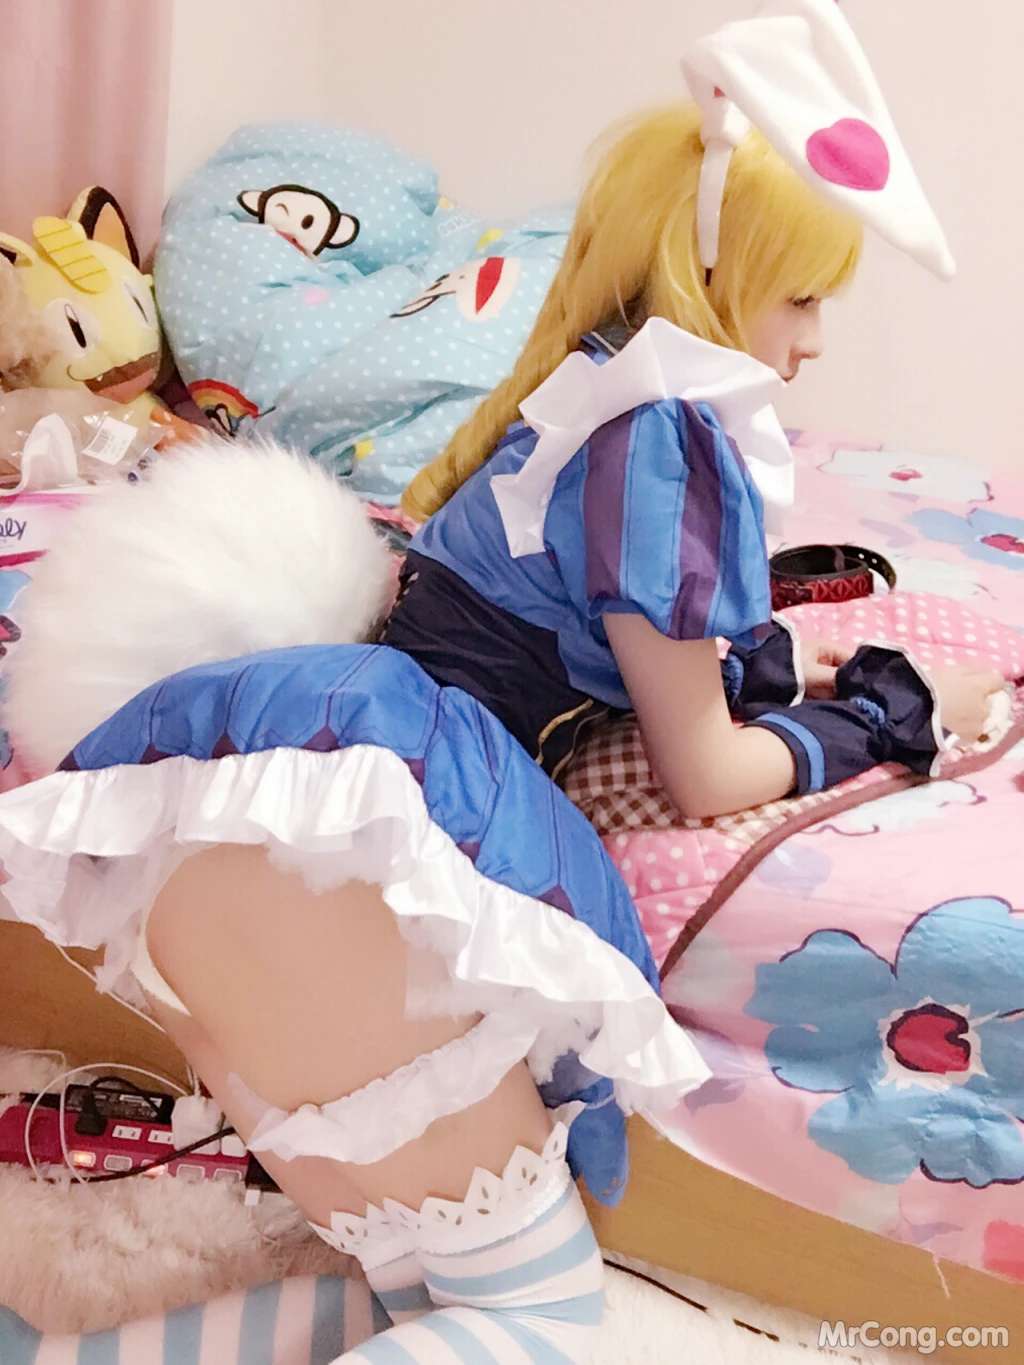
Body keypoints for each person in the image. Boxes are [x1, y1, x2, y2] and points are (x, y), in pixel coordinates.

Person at [0, 3, 1001, 1361]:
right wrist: (890, 712)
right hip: (350, 873)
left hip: (262, 833)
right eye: (805, 295)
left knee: (436, 1299)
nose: (816, 339)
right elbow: (707, 771)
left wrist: (772, 664)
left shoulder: (589, 385)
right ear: (718, 274)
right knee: (538, 1324)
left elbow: (618, 630)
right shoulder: (666, 437)